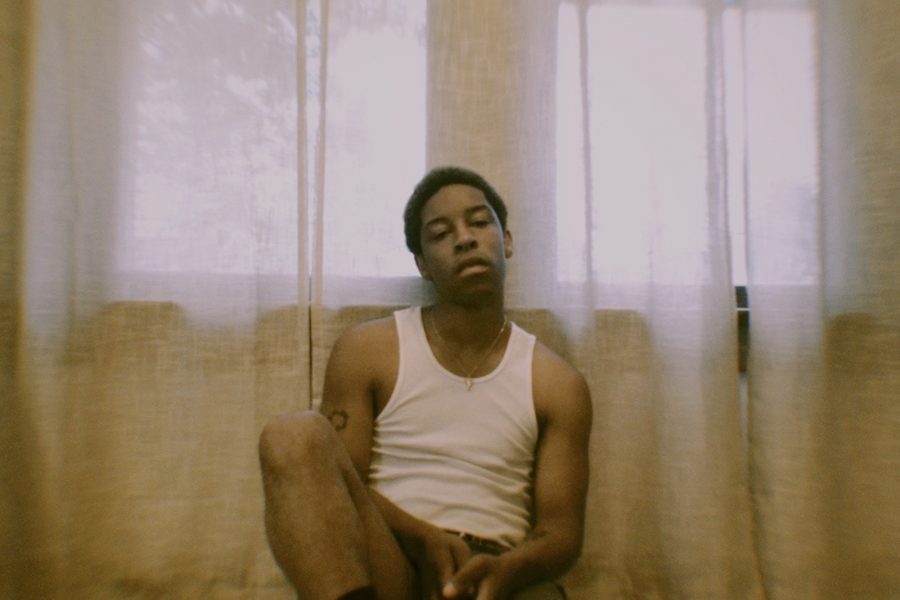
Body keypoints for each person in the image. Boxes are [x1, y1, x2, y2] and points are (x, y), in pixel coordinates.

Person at [259, 166, 592, 600]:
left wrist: (505, 570)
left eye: (479, 222)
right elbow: (339, 487)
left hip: (491, 570)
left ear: (507, 241)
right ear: (423, 266)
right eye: (440, 234)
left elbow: (561, 532)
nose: (465, 239)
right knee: (292, 434)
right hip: (388, 556)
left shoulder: (557, 382)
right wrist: (421, 537)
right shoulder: (368, 349)